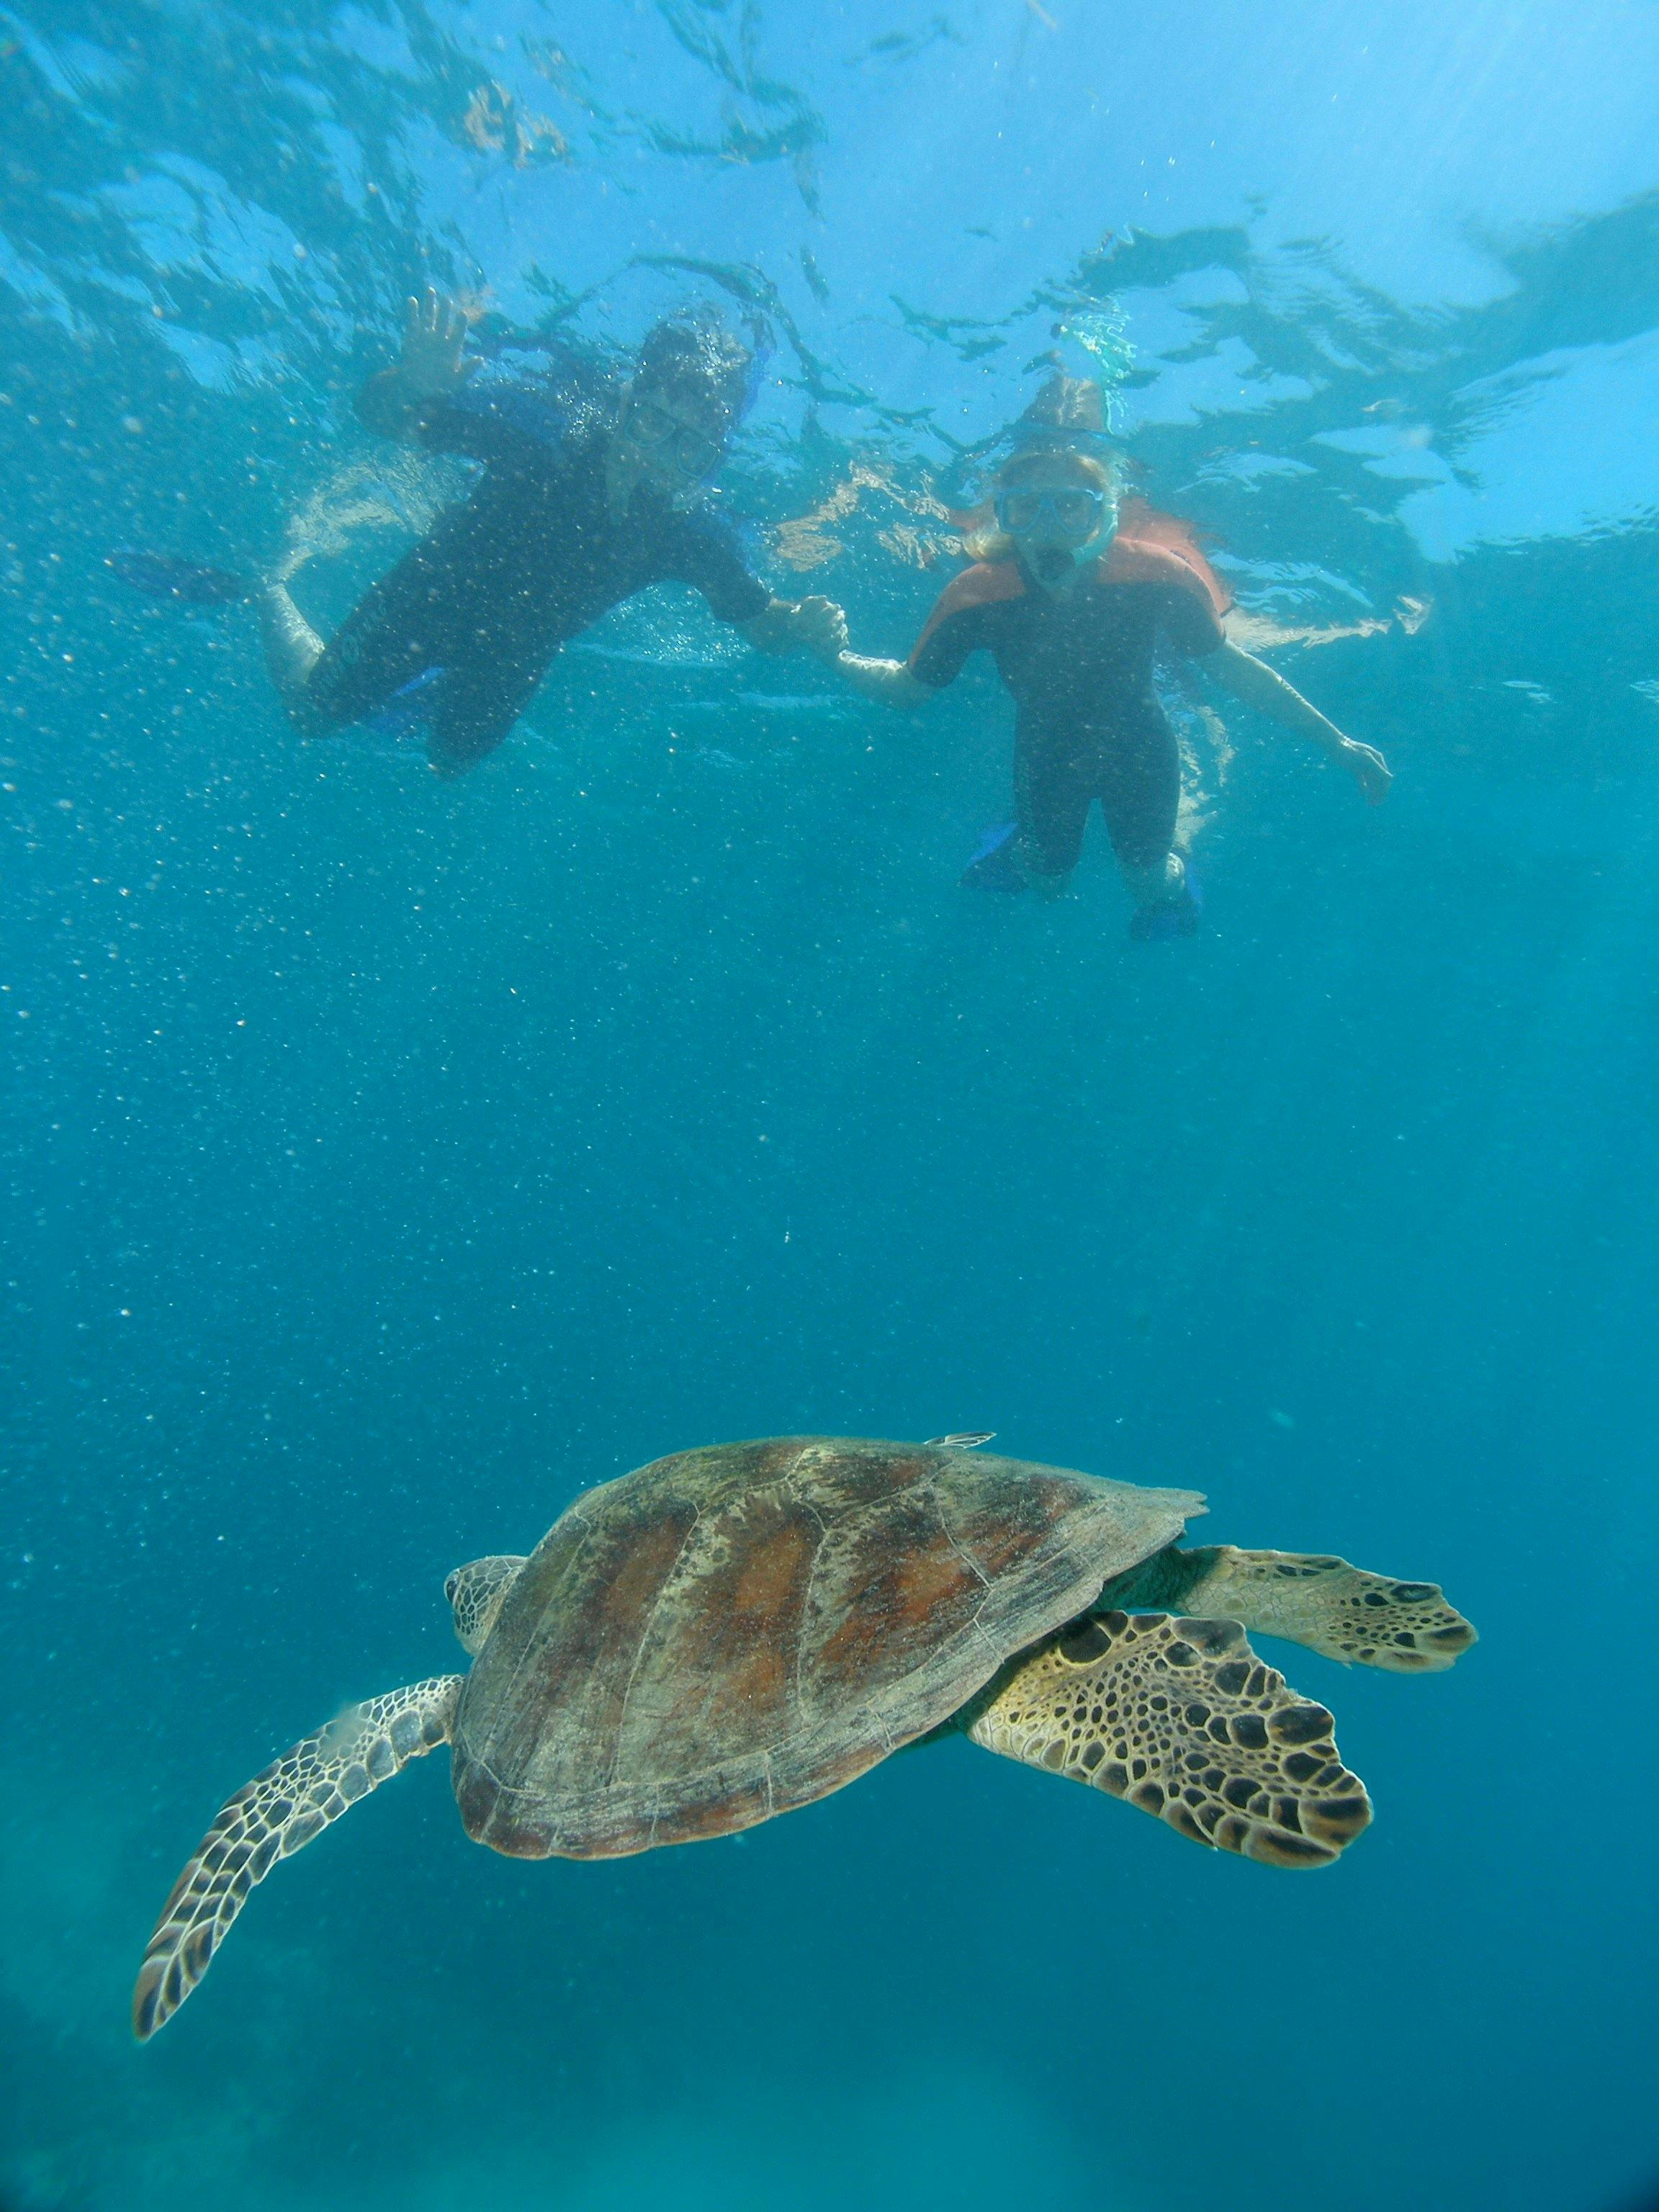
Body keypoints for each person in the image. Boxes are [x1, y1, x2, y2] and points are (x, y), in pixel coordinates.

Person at [832, 375, 1391, 938]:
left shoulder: (1158, 575)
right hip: (1047, 749)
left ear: (1103, 516)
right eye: (1025, 508)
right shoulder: (979, 594)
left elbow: (1231, 668)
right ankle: (1019, 839)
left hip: (1139, 743)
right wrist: (833, 651)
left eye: (1071, 508)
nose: (1048, 529)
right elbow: (908, 689)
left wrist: (1337, 743)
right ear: (1003, 517)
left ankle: (1174, 859)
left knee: (1148, 883)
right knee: (1048, 886)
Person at [252, 293, 846, 773]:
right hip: (424, 602)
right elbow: (379, 417)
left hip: (515, 656)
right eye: (649, 423)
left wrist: (800, 623)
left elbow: (760, 624)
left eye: (689, 449)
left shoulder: (686, 534)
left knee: (449, 764)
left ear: (709, 464)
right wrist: (413, 385)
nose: (655, 459)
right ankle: (269, 589)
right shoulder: (542, 436)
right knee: (311, 715)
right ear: (623, 407)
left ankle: (423, 695)